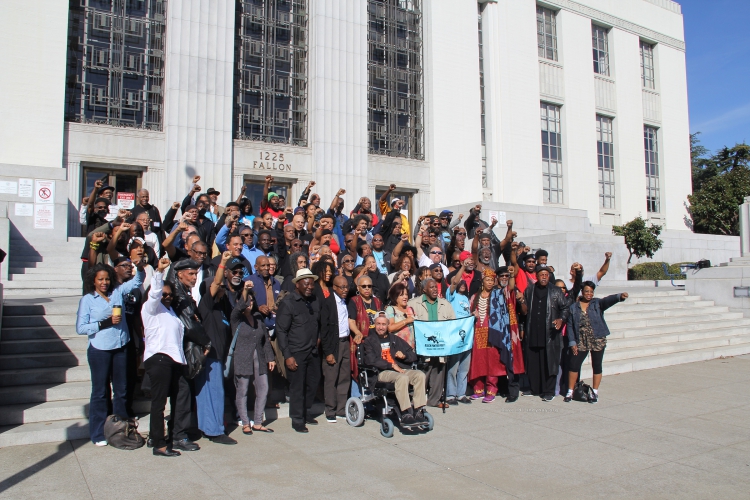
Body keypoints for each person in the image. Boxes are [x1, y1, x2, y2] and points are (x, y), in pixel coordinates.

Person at [76, 260, 145, 446]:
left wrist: (139, 267)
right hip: (100, 349)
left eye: (107, 279)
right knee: (100, 392)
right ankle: (98, 433)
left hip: (120, 346)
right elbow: (81, 328)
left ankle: (120, 430)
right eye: (100, 280)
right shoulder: (88, 300)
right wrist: (104, 323)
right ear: (94, 281)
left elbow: (138, 281)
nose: (104, 282)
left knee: (121, 390)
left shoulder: (117, 292)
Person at [195, 251, 242, 445]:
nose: (222, 287)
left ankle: (211, 427)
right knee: (213, 393)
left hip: (219, 356)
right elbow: (215, 284)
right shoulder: (206, 304)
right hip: (210, 356)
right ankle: (214, 431)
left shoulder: (221, 308)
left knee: (214, 392)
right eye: (219, 285)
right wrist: (223, 262)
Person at [141, 256, 185, 457]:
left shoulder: (170, 312)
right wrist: (158, 273)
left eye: (170, 295)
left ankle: (161, 436)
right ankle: (159, 444)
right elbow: (155, 293)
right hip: (159, 358)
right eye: (163, 294)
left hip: (173, 360)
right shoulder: (151, 308)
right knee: (159, 404)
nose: (166, 297)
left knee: (172, 401)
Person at [170, 259, 212, 452]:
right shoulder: (178, 295)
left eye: (196, 274)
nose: (195, 278)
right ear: (179, 274)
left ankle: (178, 431)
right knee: (183, 395)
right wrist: (206, 341)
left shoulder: (183, 292)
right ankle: (179, 435)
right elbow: (190, 325)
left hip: (181, 349)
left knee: (183, 394)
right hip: (182, 351)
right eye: (191, 274)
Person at [275, 268, 323, 433]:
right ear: (297, 284)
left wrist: (318, 338)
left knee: (313, 382)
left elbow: (318, 322)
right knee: (298, 387)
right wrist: (287, 355)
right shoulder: (288, 303)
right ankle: (297, 419)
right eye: (306, 283)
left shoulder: (314, 301)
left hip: (312, 351)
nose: (310, 286)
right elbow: (281, 331)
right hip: (296, 352)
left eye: (312, 283)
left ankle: (306, 411)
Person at [564, 283, 628, 403]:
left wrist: (620, 296)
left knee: (597, 365)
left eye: (591, 292)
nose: (589, 294)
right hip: (581, 340)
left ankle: (595, 392)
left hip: (597, 339)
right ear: (582, 292)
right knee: (574, 365)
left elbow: (608, 300)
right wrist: (572, 342)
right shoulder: (574, 307)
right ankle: (570, 391)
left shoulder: (597, 304)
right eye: (587, 291)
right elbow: (570, 325)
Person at [363, 314, 426, 426]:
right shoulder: (369, 341)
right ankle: (405, 412)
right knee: (402, 377)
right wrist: (391, 366)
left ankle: (418, 410)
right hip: (381, 372)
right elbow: (371, 360)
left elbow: (413, 355)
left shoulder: (395, 339)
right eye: (378, 324)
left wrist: (404, 356)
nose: (381, 327)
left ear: (388, 325)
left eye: (383, 324)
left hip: (399, 369)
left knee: (420, 375)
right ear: (374, 324)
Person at [230, 281, 276, 434]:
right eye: (246, 300)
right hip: (243, 358)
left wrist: (270, 358)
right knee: (242, 390)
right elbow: (240, 307)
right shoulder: (236, 318)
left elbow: (265, 342)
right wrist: (245, 290)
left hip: (259, 359)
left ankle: (257, 421)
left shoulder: (257, 318)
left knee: (263, 388)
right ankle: (245, 422)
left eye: (251, 300)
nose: (249, 303)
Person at [519, 266, 571, 401]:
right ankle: (534, 388)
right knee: (533, 362)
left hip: (549, 335)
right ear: (537, 276)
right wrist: (522, 329)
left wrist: (561, 319)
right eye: (541, 275)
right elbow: (523, 313)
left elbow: (565, 308)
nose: (544, 277)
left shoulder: (555, 291)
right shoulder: (529, 290)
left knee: (549, 364)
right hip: (532, 333)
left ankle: (549, 391)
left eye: (546, 275)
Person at [408, 278, 455, 409]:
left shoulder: (445, 304)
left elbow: (453, 323)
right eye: (431, 287)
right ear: (424, 290)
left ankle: (434, 400)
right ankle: (418, 400)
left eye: (436, 287)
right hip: (423, 347)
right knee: (423, 372)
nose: (435, 289)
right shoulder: (413, 303)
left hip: (440, 346)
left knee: (439, 371)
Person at [322, 276, 352, 422]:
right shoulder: (328, 303)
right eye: (342, 287)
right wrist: (328, 352)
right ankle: (330, 410)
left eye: (346, 287)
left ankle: (341, 409)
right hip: (334, 345)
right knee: (331, 378)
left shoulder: (346, 302)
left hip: (346, 342)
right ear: (334, 287)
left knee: (344, 377)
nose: (345, 290)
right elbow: (324, 330)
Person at [348, 275, 382, 397]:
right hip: (360, 343)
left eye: (369, 286)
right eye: (364, 286)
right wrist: (358, 332)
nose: (367, 289)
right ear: (358, 287)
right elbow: (351, 321)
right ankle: (357, 398)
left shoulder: (377, 302)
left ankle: (373, 399)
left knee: (374, 370)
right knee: (359, 370)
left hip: (375, 343)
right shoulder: (354, 301)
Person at [444, 269, 471, 405]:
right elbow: (454, 281)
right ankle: (450, 394)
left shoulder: (466, 298)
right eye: (459, 280)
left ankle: (461, 393)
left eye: (463, 281)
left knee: (464, 367)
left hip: (467, 337)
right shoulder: (451, 294)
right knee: (453, 367)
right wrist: (463, 266)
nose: (462, 282)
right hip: (455, 336)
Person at [385, 282, 416, 348]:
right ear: (395, 297)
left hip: (411, 349)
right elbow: (390, 328)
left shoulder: (410, 309)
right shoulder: (390, 309)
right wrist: (406, 321)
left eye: (406, 294)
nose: (405, 297)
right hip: (398, 348)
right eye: (401, 295)